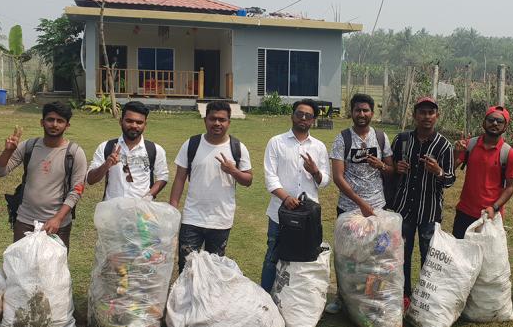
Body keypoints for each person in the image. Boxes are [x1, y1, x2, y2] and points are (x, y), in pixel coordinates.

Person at [327, 93, 394, 313]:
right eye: (358, 110)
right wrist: (360, 203)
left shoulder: (382, 137)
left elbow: (391, 169)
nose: (362, 114)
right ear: (352, 112)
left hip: (377, 207)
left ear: (372, 113)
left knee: (375, 255)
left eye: (366, 110)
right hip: (349, 208)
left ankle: (371, 297)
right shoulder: (342, 138)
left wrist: (381, 166)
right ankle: (342, 298)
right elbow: (338, 177)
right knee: (348, 255)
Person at [169, 100, 252, 272]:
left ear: (229, 122)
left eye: (222, 120)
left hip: (221, 219)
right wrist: (173, 208)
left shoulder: (237, 148)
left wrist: (233, 171)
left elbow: (248, 180)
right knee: (186, 267)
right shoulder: (192, 144)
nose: (217, 123)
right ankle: (187, 299)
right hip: (192, 218)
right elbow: (179, 178)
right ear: (205, 120)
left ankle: (208, 299)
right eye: (212, 119)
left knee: (214, 269)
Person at [0, 101, 87, 250]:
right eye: (50, 120)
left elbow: (77, 190)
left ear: (67, 125)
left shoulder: (74, 152)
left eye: (60, 121)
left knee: (53, 271)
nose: (54, 124)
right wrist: (8, 151)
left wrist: (58, 218)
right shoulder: (28, 146)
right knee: (22, 268)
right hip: (25, 221)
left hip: (57, 224)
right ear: (42, 122)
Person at [390, 97, 455, 311]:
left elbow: (451, 179)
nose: (426, 117)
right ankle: (404, 295)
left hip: (429, 211)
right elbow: (390, 170)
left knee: (429, 257)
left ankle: (427, 299)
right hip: (404, 208)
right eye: (422, 112)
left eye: (431, 112)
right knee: (402, 255)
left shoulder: (444, 145)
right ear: (414, 115)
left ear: (437, 116)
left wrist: (438, 171)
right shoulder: (402, 140)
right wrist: (397, 168)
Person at [260, 99, 331, 291]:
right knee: (272, 257)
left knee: (305, 260)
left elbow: (324, 181)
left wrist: (315, 171)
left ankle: (295, 301)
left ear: (313, 120)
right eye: (299, 114)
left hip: (308, 216)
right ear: (292, 116)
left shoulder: (319, 147)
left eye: (308, 116)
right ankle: (265, 299)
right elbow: (270, 177)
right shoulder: (276, 142)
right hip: (279, 213)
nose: (303, 118)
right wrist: (286, 198)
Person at [453, 105, 513, 238]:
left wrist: (494, 208)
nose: (495, 123)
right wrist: (456, 152)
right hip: (464, 211)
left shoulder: (509, 154)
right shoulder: (469, 145)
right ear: (484, 123)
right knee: (459, 254)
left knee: (486, 257)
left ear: (505, 127)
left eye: (500, 121)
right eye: (491, 120)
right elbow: (450, 168)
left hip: (490, 215)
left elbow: (511, 187)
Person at [86, 101, 169, 201]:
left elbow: (163, 177)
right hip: (113, 211)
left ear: (145, 124)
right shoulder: (106, 147)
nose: (134, 125)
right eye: (129, 121)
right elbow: (90, 180)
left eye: (139, 122)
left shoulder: (155, 150)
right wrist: (107, 164)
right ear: (121, 121)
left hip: (141, 212)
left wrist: (149, 197)